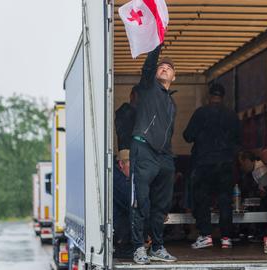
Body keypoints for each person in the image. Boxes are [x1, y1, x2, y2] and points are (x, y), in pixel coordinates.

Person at [130, 45, 178, 265]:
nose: (164, 68)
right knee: (140, 201)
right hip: (143, 149)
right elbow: (149, 67)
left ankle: (157, 247)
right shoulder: (148, 86)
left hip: (164, 156)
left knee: (161, 204)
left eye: (169, 68)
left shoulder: (172, 103)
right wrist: (156, 45)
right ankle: (139, 247)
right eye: (162, 67)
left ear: (174, 77)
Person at [183, 83, 241, 249]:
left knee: (202, 200)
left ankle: (206, 235)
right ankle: (226, 238)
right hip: (226, 165)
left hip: (204, 164)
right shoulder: (231, 115)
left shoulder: (201, 113)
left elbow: (188, 136)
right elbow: (239, 140)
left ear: (209, 96)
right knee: (225, 200)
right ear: (223, 97)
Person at [113, 150, 132, 258]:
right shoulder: (118, 180)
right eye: (131, 163)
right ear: (121, 164)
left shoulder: (119, 176)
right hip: (120, 236)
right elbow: (129, 203)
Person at [115, 85, 138, 150]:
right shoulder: (124, 111)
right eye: (137, 96)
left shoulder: (140, 112)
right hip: (126, 151)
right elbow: (123, 136)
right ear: (131, 96)